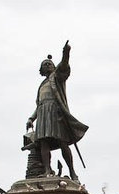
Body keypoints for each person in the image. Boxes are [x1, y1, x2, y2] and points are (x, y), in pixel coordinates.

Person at [24, 40, 88, 181]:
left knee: (62, 142)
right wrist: (31, 118)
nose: (47, 65)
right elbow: (39, 105)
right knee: (43, 143)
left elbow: (64, 66)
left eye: (49, 64)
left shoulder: (57, 78)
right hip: (43, 114)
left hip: (56, 113)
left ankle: (72, 171)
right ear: (41, 70)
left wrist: (66, 53)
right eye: (44, 65)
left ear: (54, 67)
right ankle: (47, 170)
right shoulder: (42, 85)